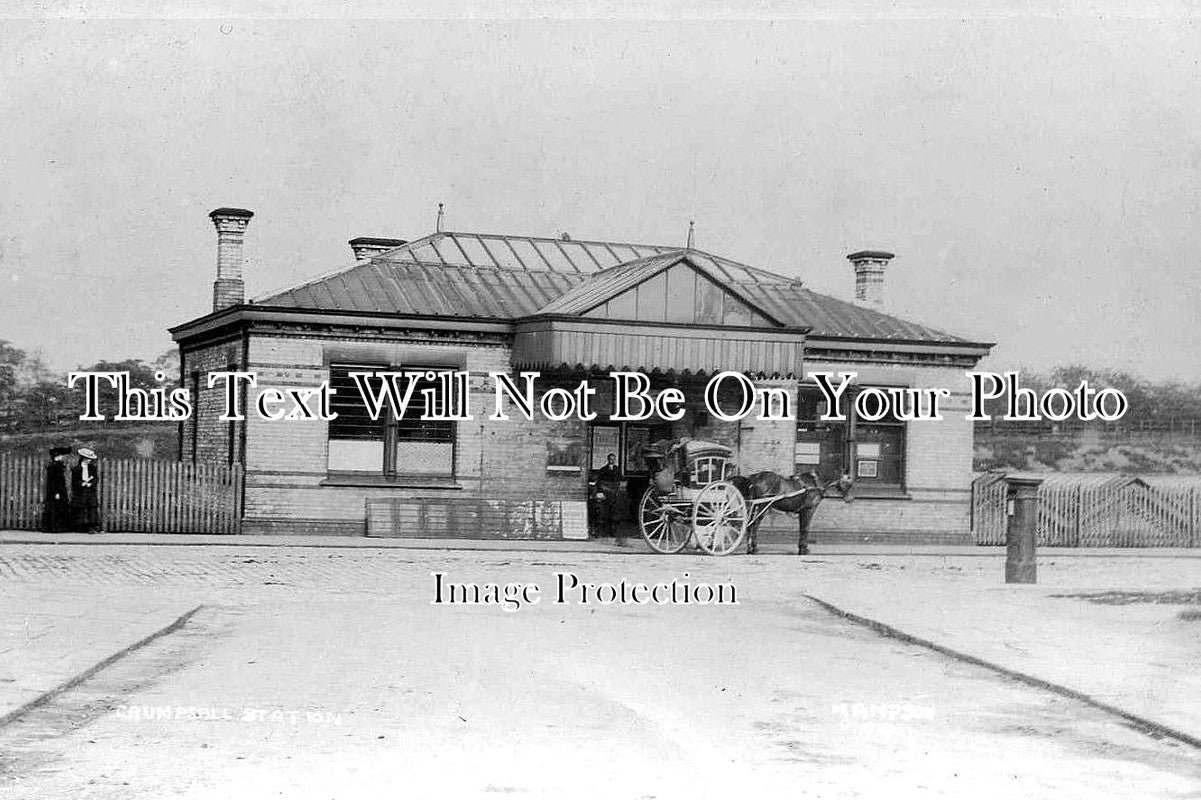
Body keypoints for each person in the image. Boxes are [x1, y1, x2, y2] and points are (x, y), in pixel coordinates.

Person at [591, 453, 626, 546]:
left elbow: (621, 480)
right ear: (608, 459)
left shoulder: (617, 470)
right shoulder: (603, 470)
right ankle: (601, 532)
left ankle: (612, 532)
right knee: (602, 513)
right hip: (605, 494)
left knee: (613, 513)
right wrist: (601, 492)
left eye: (613, 459)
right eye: (610, 459)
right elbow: (599, 482)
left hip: (614, 495)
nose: (612, 461)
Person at [42, 447, 73, 532]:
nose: (62, 457)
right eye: (61, 455)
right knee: (56, 508)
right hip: (56, 490)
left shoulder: (57, 465)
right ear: (57, 456)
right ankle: (55, 527)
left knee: (59, 507)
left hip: (60, 489)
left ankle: (59, 526)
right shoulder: (54, 466)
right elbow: (53, 480)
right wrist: (56, 492)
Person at [71, 447, 101, 533]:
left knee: (92, 508)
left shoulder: (92, 468)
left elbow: (95, 478)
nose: (89, 461)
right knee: (81, 509)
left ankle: (92, 527)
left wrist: (91, 484)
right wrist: (81, 484)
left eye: (90, 459)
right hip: (80, 492)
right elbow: (74, 482)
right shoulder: (76, 469)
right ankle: (81, 527)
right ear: (83, 458)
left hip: (90, 490)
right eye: (88, 459)